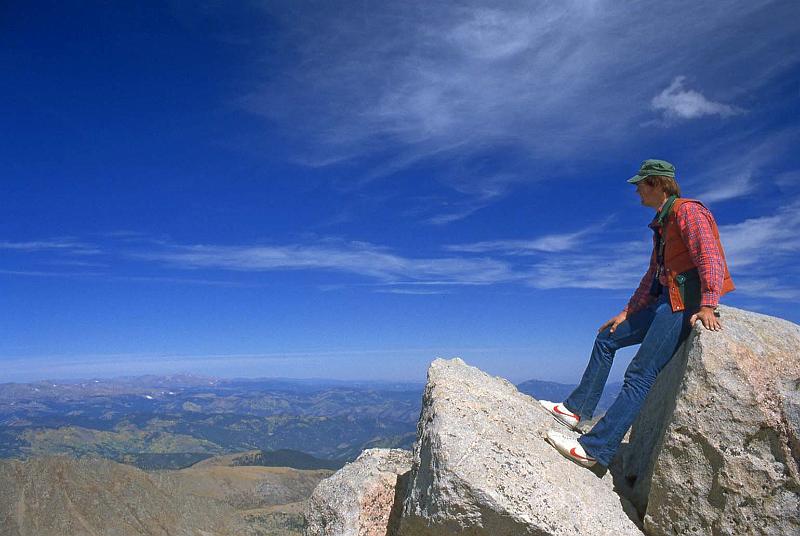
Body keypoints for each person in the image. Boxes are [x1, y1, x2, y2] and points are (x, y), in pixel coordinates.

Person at [541, 159, 735, 468]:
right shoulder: (663, 221)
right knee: (608, 337)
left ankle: (595, 449)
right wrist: (626, 312)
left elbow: (709, 257)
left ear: (657, 184)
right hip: (663, 300)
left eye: (640, 185)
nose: (636, 192)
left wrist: (708, 304)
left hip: (683, 303)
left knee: (640, 373)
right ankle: (575, 410)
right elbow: (651, 276)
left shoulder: (688, 212)